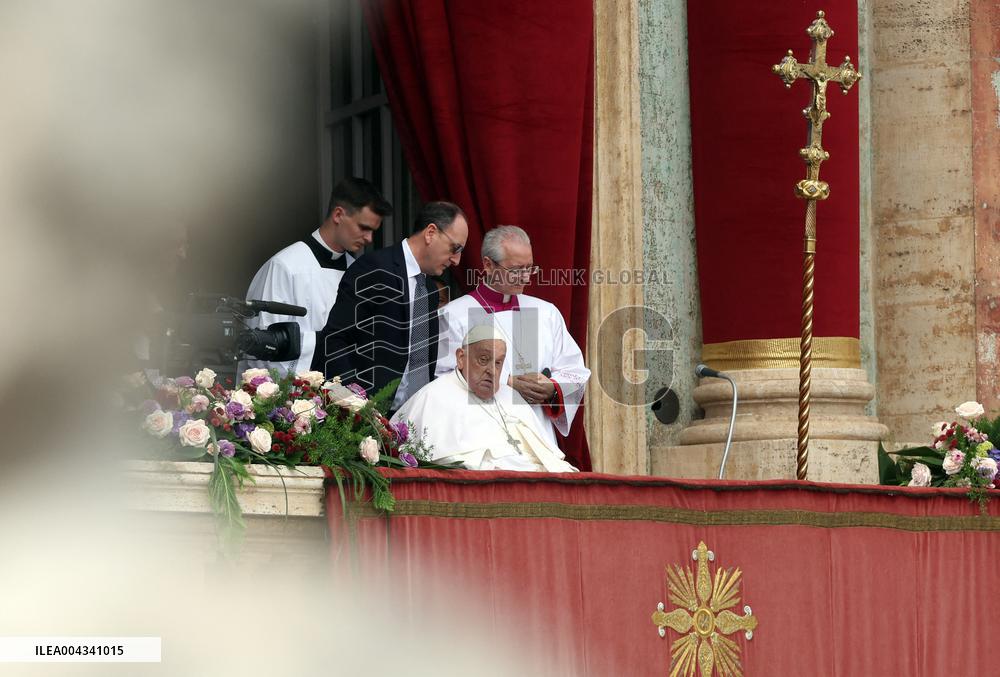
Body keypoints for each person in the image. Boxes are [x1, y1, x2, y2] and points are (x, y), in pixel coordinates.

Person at [436, 225, 590, 449]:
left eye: (530, 269)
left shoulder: (546, 313)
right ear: (488, 265)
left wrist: (553, 388)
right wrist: (506, 382)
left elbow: (575, 370)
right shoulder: (455, 314)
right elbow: (445, 377)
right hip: (480, 439)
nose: (525, 278)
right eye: (516, 270)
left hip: (539, 437)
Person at [313, 201, 468, 412]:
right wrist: (353, 404)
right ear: (430, 232)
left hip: (412, 416)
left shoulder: (431, 290)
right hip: (365, 413)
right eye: (455, 248)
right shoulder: (375, 268)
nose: (457, 260)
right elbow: (335, 340)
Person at [242, 177, 391, 375]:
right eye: (364, 228)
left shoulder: (359, 272)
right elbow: (264, 344)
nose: (370, 238)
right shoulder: (285, 266)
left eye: (373, 231)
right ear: (338, 215)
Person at [391, 325, 577, 472]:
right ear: (461, 358)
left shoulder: (509, 395)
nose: (491, 370)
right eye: (483, 359)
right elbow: (444, 462)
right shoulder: (433, 397)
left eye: (498, 363)